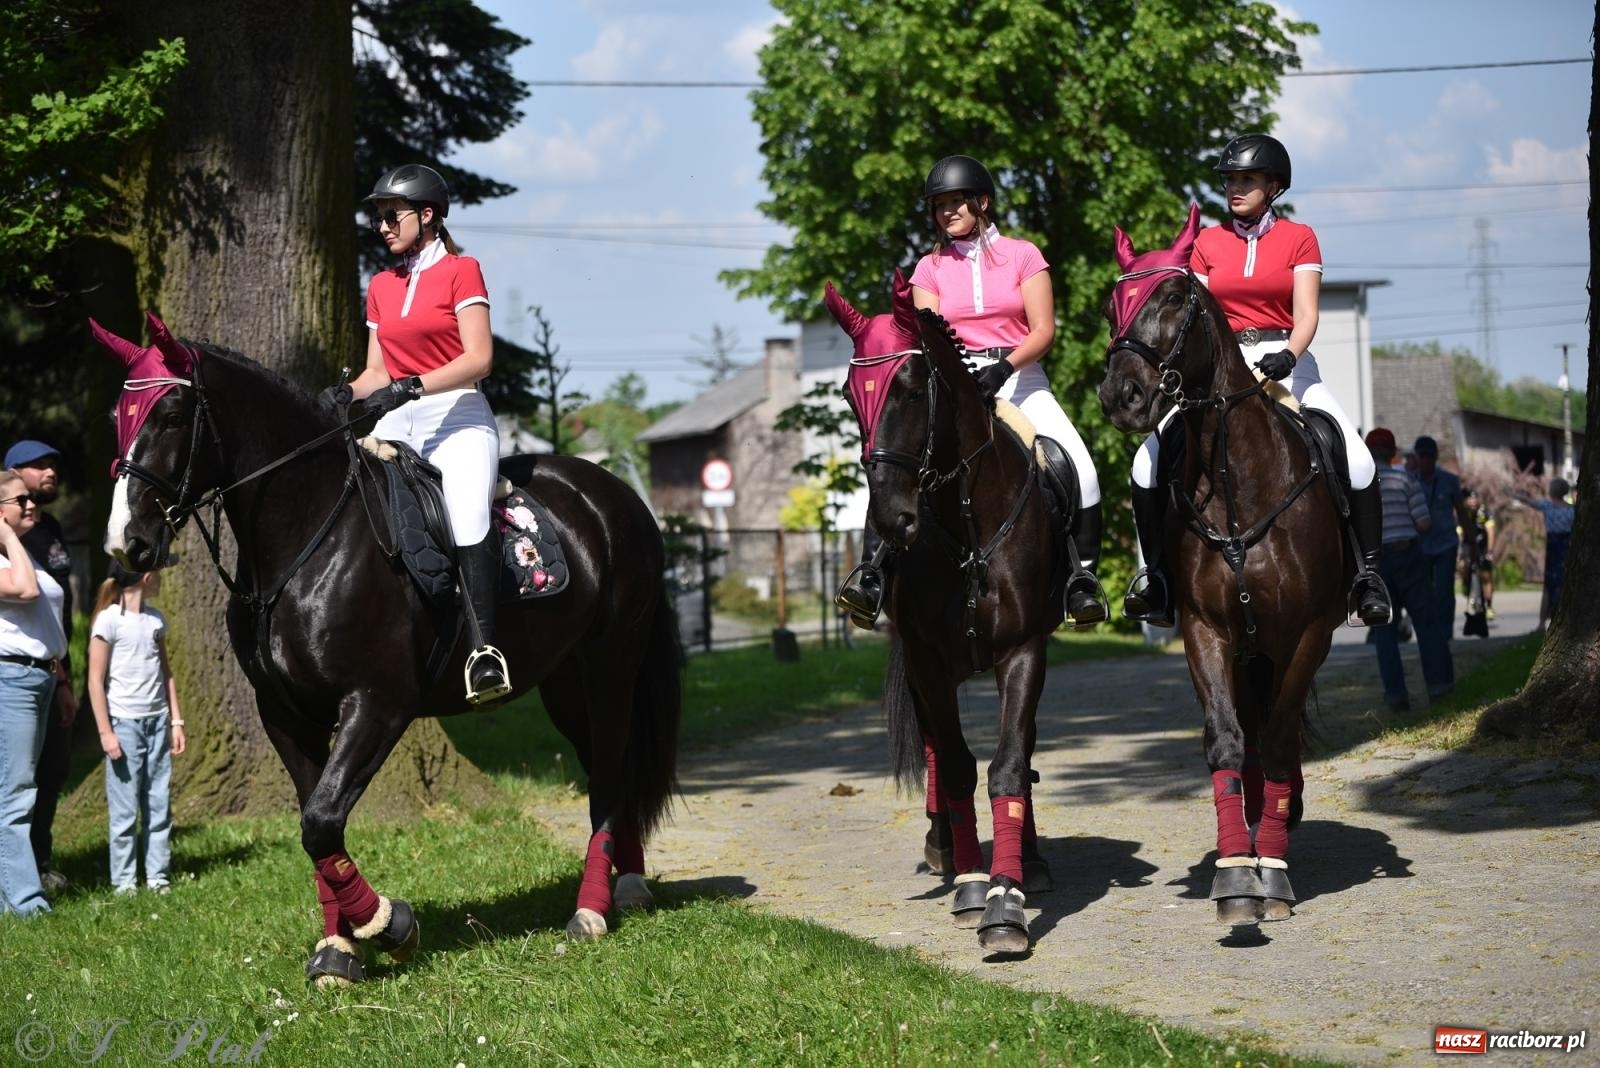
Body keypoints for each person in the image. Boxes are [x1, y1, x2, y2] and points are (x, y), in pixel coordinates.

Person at [1123, 135, 1392, 629]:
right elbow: (1195, 317)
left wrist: (1289, 355)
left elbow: (1307, 313)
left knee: (1356, 457)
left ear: (1273, 186)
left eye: (1246, 180)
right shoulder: (1208, 243)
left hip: (1285, 357)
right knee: (1146, 463)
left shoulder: (1299, 237)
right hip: (1221, 367)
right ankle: (1155, 577)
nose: (1235, 188)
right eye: (1229, 181)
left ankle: (1367, 576)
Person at [836, 154, 1107, 629]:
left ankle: (1081, 580)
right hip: (953, 384)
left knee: (1080, 467)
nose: (947, 212)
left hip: (1020, 379)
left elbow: (1043, 330)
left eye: (956, 202)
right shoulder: (929, 269)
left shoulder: (1025, 255)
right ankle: (871, 574)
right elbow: (929, 337)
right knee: (900, 461)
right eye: (939, 205)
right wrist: (961, 376)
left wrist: (1004, 368)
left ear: (982, 202)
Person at [324, 164, 509, 704]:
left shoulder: (462, 270)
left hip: (458, 416)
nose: (381, 225)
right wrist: (345, 393)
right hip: (399, 417)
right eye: (377, 217)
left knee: (469, 511)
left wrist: (411, 386)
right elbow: (376, 372)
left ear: (427, 216)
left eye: (391, 215)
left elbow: (480, 359)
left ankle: (484, 653)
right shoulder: (381, 285)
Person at [5, 440, 78, 894]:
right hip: (12, 675)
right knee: (15, 787)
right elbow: (26, 594)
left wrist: (63, 675)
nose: (50, 473)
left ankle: (38, 863)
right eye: (38, 467)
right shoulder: (13, 539)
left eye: (55, 464)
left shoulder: (47, 528)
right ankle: (21, 887)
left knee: (50, 774)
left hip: (49, 670)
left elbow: (52, 612)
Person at [87, 562, 185, 894]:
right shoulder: (109, 620)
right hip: (124, 726)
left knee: (159, 803)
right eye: (157, 572)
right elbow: (95, 681)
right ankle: (124, 883)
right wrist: (106, 732)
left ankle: (158, 877)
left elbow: (166, 674)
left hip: (158, 723)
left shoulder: (156, 620)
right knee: (125, 809)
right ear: (145, 577)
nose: (159, 578)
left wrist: (176, 720)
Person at [1364, 429, 1443, 713]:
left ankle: (1396, 697)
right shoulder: (1406, 479)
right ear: (1394, 452)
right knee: (1426, 624)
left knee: (1384, 631)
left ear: (1368, 452)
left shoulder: (1361, 485)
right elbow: (1423, 523)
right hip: (1408, 555)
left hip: (1377, 561)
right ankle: (1439, 687)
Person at [1411, 435, 1474, 699]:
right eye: (1421, 456)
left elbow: (1461, 511)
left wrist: (1473, 543)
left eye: (1428, 456)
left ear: (1435, 457)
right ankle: (1432, 635)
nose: (1424, 460)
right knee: (1425, 595)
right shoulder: (1410, 480)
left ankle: (1445, 634)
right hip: (1421, 546)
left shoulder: (1448, 480)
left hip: (1446, 544)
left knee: (1444, 592)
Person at [1513, 477, 1575, 628]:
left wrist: (1514, 494)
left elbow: (1529, 502)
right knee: (1566, 581)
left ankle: (1542, 622)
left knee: (1549, 585)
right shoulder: (1572, 509)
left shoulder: (1548, 506)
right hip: (1567, 546)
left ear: (1553, 491)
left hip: (1553, 546)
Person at [1459, 486, 1496, 621]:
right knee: (1463, 565)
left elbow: (1491, 531)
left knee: (1486, 576)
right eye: (1470, 498)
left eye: (1475, 498)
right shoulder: (1462, 513)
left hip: (1483, 547)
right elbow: (1460, 535)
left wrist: (1490, 552)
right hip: (1468, 547)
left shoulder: (1484, 512)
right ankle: (1465, 582)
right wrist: (1461, 555)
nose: (1473, 501)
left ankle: (1489, 606)